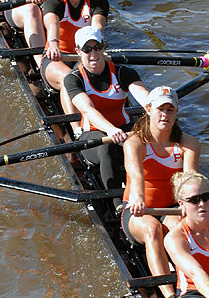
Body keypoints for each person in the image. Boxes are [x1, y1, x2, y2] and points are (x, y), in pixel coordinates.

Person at [121, 86, 200, 298]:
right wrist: (137, 197)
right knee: (152, 228)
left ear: (176, 112)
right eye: (160, 109)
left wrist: (189, 203)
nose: (165, 115)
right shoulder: (135, 142)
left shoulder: (188, 144)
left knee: (182, 230)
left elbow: (189, 182)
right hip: (137, 209)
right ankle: (169, 295)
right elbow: (136, 175)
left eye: (170, 110)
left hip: (171, 209)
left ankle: (192, 286)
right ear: (148, 109)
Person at [63, 26, 149, 208]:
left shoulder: (123, 72)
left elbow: (142, 96)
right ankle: (117, 205)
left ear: (104, 47)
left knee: (147, 143)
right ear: (77, 52)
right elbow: (87, 109)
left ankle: (150, 192)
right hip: (93, 135)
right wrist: (110, 129)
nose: (93, 54)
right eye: (86, 49)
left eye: (97, 48)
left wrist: (155, 107)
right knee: (107, 147)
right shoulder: (74, 78)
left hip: (124, 130)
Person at [41, 0, 110, 102]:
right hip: (57, 57)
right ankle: (76, 125)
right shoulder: (53, 3)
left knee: (94, 78)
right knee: (70, 79)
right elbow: (51, 24)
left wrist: (97, 49)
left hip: (86, 55)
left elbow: (97, 27)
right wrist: (53, 43)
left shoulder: (99, 3)